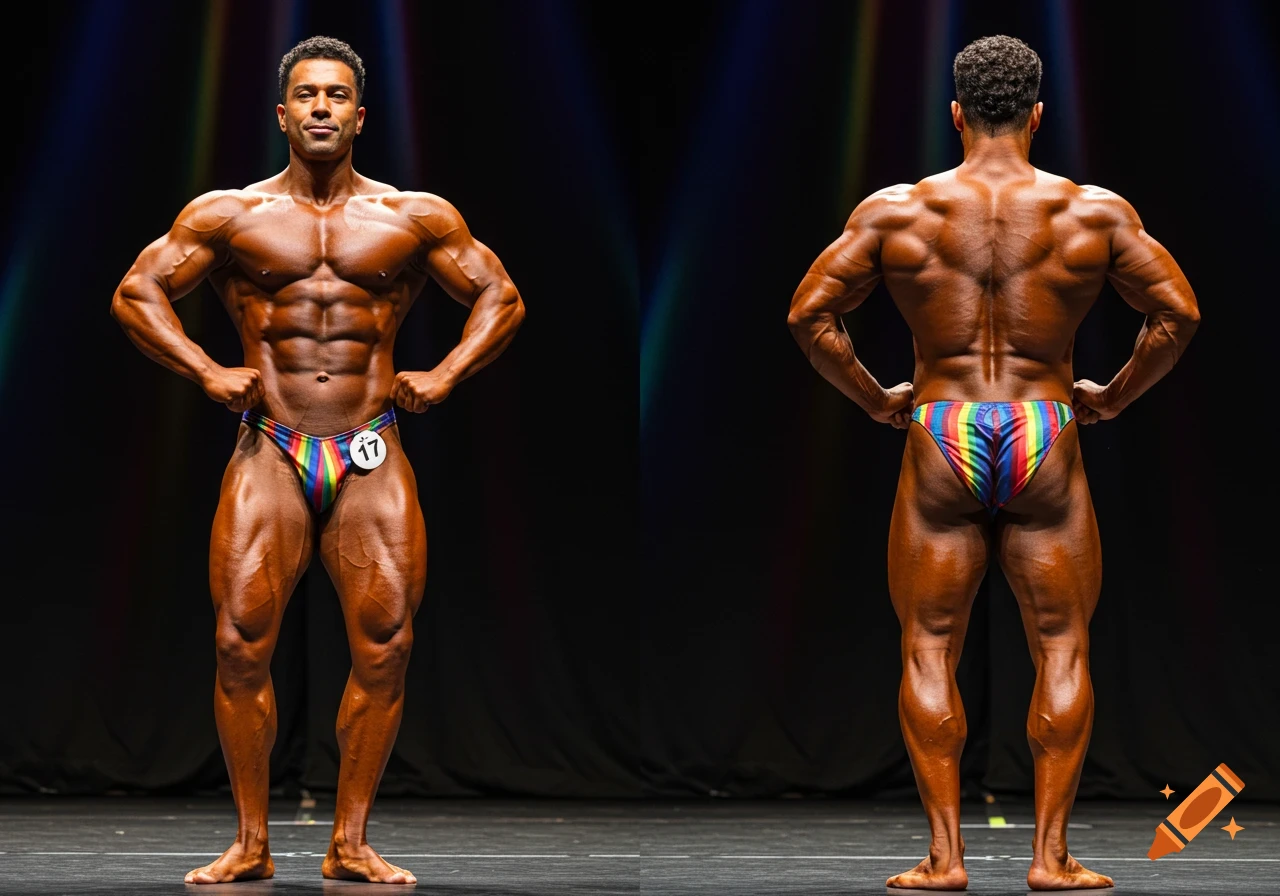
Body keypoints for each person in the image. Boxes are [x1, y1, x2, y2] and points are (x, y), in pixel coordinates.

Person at [787, 35, 1198, 891]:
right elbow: (1178, 314)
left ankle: (945, 860)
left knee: (929, 644)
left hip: (942, 425)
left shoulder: (899, 212)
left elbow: (809, 315)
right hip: (1045, 425)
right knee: (1061, 643)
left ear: (956, 112)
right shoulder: (1092, 212)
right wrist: (1115, 395)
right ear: (1038, 114)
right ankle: (1050, 860)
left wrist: (875, 398)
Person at [111, 36, 524, 885]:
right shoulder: (229, 215)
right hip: (271, 446)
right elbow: (135, 291)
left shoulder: (415, 217)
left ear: (361, 115)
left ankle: (351, 841)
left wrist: (445, 374)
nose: (323, 108)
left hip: (370, 449)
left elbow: (501, 295)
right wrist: (205, 369)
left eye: (338, 95)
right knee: (238, 644)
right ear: (283, 113)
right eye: (308, 96)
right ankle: (252, 842)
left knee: (387, 647)